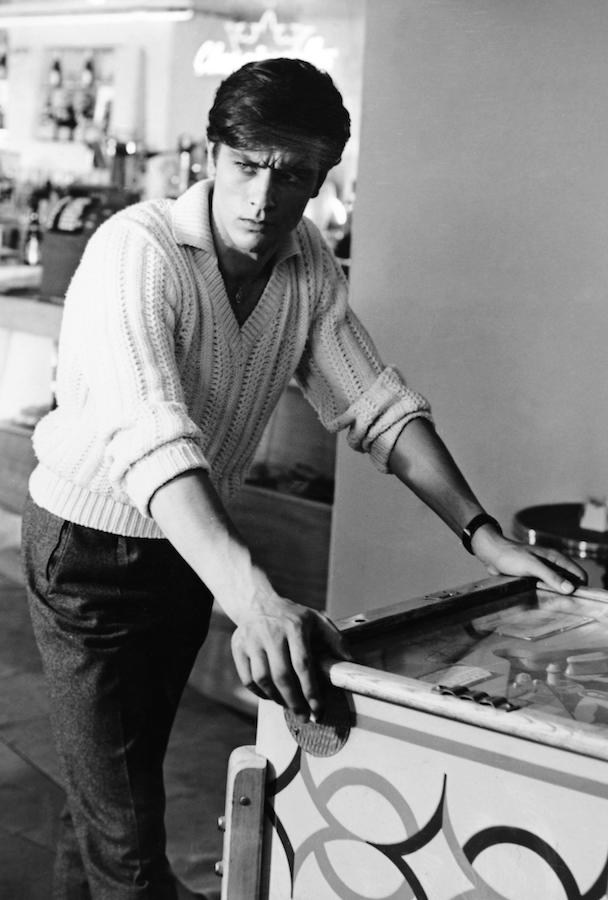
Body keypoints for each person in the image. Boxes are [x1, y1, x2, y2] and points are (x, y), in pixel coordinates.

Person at [21, 57, 585, 900]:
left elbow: (375, 403)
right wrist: (252, 597)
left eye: (294, 176)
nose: (265, 198)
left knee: (112, 794)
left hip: (186, 557)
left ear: (320, 179)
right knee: (131, 852)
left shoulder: (305, 264)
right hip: (86, 559)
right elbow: (153, 439)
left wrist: (484, 533)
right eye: (248, 166)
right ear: (210, 155)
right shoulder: (135, 252)